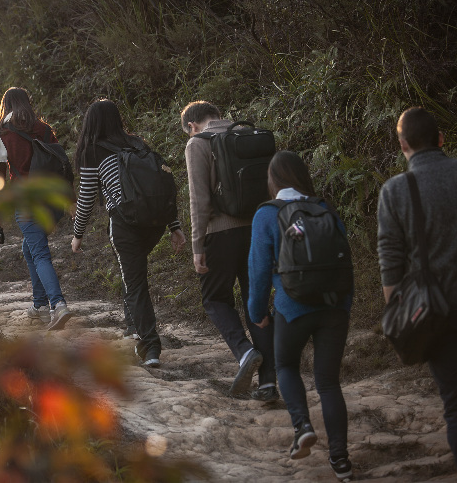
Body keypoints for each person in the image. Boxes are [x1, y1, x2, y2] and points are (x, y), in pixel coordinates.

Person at [247, 150, 353, 481]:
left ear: (273, 180)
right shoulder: (325, 209)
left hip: (292, 308)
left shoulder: (267, 214)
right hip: (335, 305)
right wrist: (343, 306)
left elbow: (259, 272)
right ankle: (341, 459)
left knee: (286, 366)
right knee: (328, 382)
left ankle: (302, 426)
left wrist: (257, 312)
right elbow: (343, 259)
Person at [377, 107, 457, 482]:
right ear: (442, 139)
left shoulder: (396, 190)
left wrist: (397, 315)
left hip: (438, 314)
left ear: (402, 145)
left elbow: (391, 262)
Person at [71, 99, 185, 368]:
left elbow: (87, 197)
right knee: (131, 272)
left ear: (91, 122)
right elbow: (161, 186)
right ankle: (133, 325)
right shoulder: (137, 143)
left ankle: (150, 345)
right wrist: (174, 226)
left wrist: (78, 234)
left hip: (126, 223)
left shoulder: (92, 150)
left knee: (134, 281)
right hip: (154, 221)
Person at [181, 101, 276, 399]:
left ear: (192, 126)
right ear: (218, 116)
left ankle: (244, 352)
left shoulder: (197, 143)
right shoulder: (247, 135)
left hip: (219, 234)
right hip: (257, 229)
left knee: (214, 299)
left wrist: (197, 245)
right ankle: (269, 383)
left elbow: (199, 199)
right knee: (255, 301)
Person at [0, 87, 72, 331]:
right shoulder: (44, 129)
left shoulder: (1, 131)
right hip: (52, 201)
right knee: (29, 247)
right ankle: (40, 305)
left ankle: (58, 304)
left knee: (40, 253)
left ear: (6, 105)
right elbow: (61, 163)